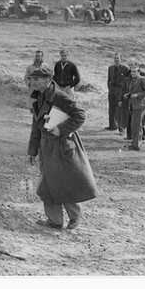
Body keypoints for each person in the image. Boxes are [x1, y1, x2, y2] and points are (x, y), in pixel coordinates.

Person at [26, 64, 98, 230]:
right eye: (31, 79)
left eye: (36, 79)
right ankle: (55, 220)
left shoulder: (60, 96)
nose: (33, 83)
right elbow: (36, 127)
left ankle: (74, 217)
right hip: (46, 148)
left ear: (48, 80)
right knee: (47, 185)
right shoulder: (38, 97)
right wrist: (32, 151)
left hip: (62, 147)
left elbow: (80, 115)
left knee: (64, 184)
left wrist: (61, 129)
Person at [123, 59, 145, 151]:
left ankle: (136, 145)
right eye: (132, 71)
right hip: (133, 105)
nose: (133, 73)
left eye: (135, 71)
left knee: (136, 125)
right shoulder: (133, 80)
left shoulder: (143, 79)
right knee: (135, 125)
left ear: (139, 71)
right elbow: (134, 91)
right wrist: (129, 95)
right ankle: (135, 143)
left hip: (139, 106)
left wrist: (138, 95)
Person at [106, 52, 130, 132]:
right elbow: (108, 79)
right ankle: (112, 125)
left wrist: (123, 90)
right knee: (111, 108)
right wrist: (110, 88)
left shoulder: (125, 68)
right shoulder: (111, 68)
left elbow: (127, 81)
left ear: (121, 59)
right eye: (115, 58)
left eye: (117, 58)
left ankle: (121, 127)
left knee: (120, 108)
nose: (116, 60)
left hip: (120, 90)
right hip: (112, 89)